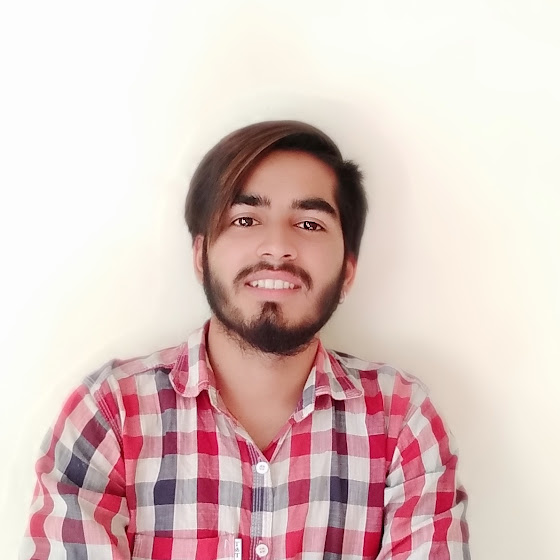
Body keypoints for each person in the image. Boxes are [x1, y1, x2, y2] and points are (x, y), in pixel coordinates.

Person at [20, 120, 470, 559]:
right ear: (201, 255)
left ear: (347, 271)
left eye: (309, 224)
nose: (277, 247)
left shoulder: (402, 420)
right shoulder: (110, 413)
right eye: (246, 219)